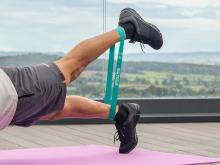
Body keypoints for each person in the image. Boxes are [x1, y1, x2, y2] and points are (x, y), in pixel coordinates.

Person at [0, 8, 163, 153]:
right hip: (10, 104)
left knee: (69, 68)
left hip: (11, 91)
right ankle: (122, 114)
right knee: (53, 111)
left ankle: (129, 28)